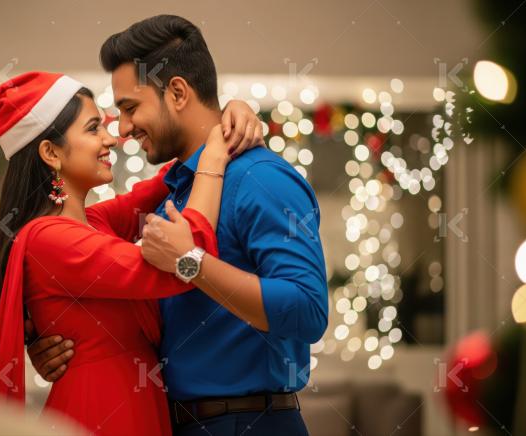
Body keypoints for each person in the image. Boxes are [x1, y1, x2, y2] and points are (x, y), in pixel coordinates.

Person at [29, 15, 329, 436]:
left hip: (249, 424)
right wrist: (53, 340)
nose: (125, 129)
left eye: (130, 108)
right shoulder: (176, 191)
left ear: (177, 92)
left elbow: (308, 310)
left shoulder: (261, 178)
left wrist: (191, 263)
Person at [0, 71, 264, 435]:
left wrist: (227, 115)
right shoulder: (51, 239)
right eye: (94, 128)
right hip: (100, 412)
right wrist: (214, 161)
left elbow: (160, 184)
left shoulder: (91, 222)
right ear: (51, 152)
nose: (111, 138)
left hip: (129, 405)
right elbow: (183, 263)